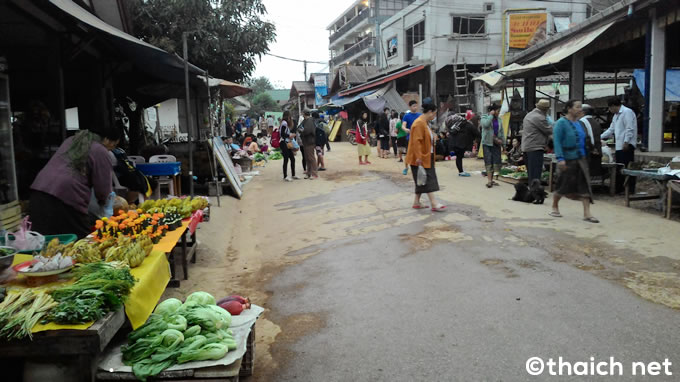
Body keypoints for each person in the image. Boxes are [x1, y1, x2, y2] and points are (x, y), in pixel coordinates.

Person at [29, 127, 120, 238]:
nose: (111, 149)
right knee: (82, 241)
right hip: (67, 198)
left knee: (44, 241)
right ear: (106, 140)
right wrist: (106, 207)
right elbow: (103, 190)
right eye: (114, 145)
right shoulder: (100, 151)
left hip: (39, 191)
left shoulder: (72, 140)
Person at [551, 99, 598, 223]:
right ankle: (555, 206)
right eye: (577, 107)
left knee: (585, 185)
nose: (580, 109)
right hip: (567, 158)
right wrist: (560, 158)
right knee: (563, 184)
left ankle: (587, 213)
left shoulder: (580, 123)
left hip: (581, 159)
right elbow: (557, 142)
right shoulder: (561, 123)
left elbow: (584, 140)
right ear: (569, 108)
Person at [405, 103, 446, 212]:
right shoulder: (419, 123)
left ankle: (416, 202)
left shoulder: (425, 122)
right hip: (420, 157)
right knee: (427, 179)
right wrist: (419, 157)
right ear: (429, 112)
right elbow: (416, 142)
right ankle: (434, 203)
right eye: (434, 113)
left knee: (421, 180)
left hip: (426, 155)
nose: (435, 116)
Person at [601, 97, 637, 194]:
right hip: (619, 145)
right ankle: (620, 188)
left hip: (626, 144)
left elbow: (630, 128)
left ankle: (629, 189)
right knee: (620, 167)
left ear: (613, 106)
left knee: (627, 167)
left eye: (609, 108)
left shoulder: (627, 112)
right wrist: (599, 137)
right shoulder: (616, 116)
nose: (609, 110)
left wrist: (626, 141)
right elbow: (611, 129)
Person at [522, 99, 552, 183]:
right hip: (535, 148)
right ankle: (535, 194)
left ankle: (532, 192)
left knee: (531, 174)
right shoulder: (539, 117)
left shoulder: (529, 115)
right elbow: (549, 130)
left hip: (527, 147)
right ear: (545, 109)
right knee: (535, 175)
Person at [480, 103, 506, 188]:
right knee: (488, 161)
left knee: (496, 162)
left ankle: (492, 179)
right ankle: (489, 181)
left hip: (496, 143)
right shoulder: (484, 117)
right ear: (493, 111)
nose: (498, 112)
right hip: (487, 143)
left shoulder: (499, 120)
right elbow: (486, 124)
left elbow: (501, 132)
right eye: (497, 111)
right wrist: (490, 116)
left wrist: (504, 144)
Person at [580, 104, 603, 176]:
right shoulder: (596, 122)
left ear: (583, 112)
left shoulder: (582, 121)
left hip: (589, 152)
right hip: (597, 151)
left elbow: (587, 137)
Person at [280, 111, 299, 181]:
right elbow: (282, 134)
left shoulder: (284, 123)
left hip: (287, 142)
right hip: (284, 143)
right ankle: (285, 176)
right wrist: (289, 135)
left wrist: (290, 135)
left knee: (292, 159)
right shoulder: (284, 123)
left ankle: (293, 175)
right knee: (286, 159)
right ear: (288, 116)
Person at [300, 110, 318, 179]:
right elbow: (299, 127)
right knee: (307, 158)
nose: (302, 114)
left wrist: (302, 131)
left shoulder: (309, 121)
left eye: (302, 113)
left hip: (310, 142)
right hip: (305, 142)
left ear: (304, 114)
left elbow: (307, 131)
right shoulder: (304, 121)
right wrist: (301, 130)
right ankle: (309, 173)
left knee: (311, 158)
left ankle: (314, 174)